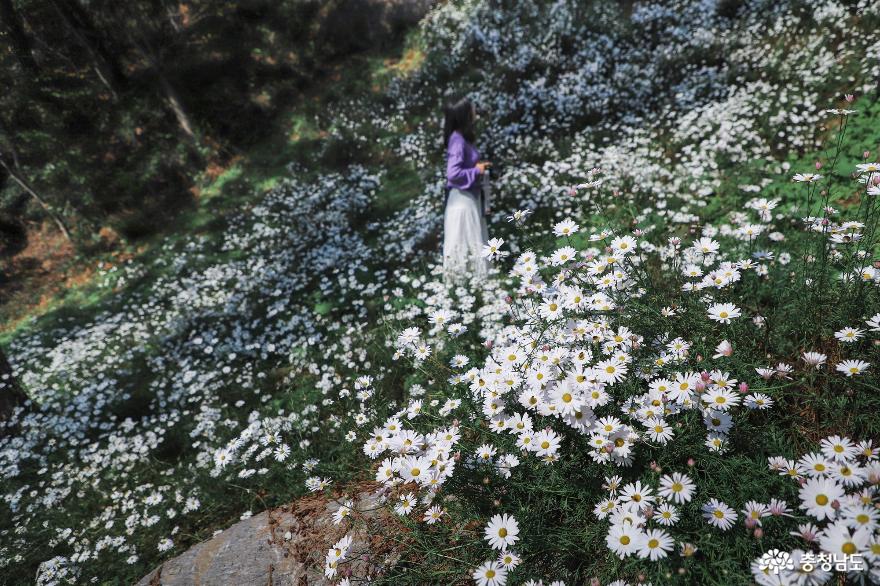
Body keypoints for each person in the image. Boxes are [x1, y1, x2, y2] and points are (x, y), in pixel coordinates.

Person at [442, 97, 491, 282]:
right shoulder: (457, 140)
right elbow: (453, 173)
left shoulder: (460, 138)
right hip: (462, 201)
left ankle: (477, 287)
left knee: (472, 241)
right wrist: (476, 170)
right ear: (464, 114)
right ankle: (468, 286)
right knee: (465, 243)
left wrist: (478, 166)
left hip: (469, 197)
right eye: (472, 109)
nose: (475, 111)